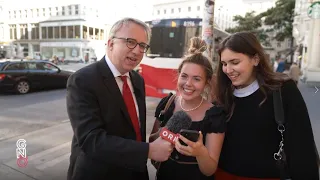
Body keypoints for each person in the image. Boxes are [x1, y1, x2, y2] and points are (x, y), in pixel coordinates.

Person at [66, 18, 173, 180]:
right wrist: (148, 151)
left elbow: (135, 129)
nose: (137, 51)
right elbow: (91, 140)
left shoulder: (138, 80)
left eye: (142, 46)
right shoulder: (82, 80)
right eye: (130, 42)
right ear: (110, 44)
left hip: (135, 171)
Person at [214, 31, 319, 179]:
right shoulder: (220, 95)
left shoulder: (283, 90)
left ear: (255, 59)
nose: (228, 70)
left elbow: (301, 147)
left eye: (235, 62)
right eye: (224, 64)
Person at [149, 37, 226, 179]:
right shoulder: (167, 104)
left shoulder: (215, 115)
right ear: (178, 76)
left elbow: (209, 170)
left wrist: (200, 152)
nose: (188, 83)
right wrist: (162, 135)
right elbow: (151, 145)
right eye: (184, 76)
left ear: (207, 82)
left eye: (196, 79)